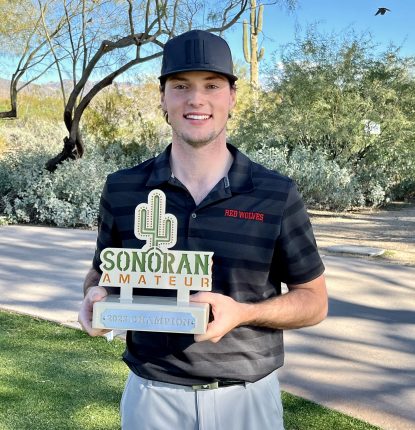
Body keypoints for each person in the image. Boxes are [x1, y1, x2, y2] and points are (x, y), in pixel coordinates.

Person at [78, 30, 328, 430]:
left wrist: (244, 313)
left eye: (212, 85)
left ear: (231, 96)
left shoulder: (275, 193)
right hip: (151, 397)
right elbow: (101, 270)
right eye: (181, 86)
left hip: (247, 399)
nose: (196, 99)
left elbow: (314, 301)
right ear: (163, 98)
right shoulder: (122, 188)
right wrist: (94, 294)